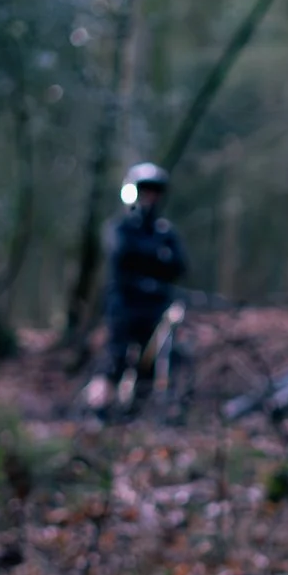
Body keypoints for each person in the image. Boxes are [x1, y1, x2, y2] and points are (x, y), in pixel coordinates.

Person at [93, 161, 189, 411]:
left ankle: (137, 410)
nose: (150, 198)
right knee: (116, 358)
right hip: (124, 305)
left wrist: (153, 263)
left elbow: (178, 265)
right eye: (145, 191)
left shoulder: (165, 231)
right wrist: (156, 257)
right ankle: (100, 408)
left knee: (152, 361)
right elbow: (121, 257)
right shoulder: (120, 228)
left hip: (156, 307)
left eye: (154, 192)